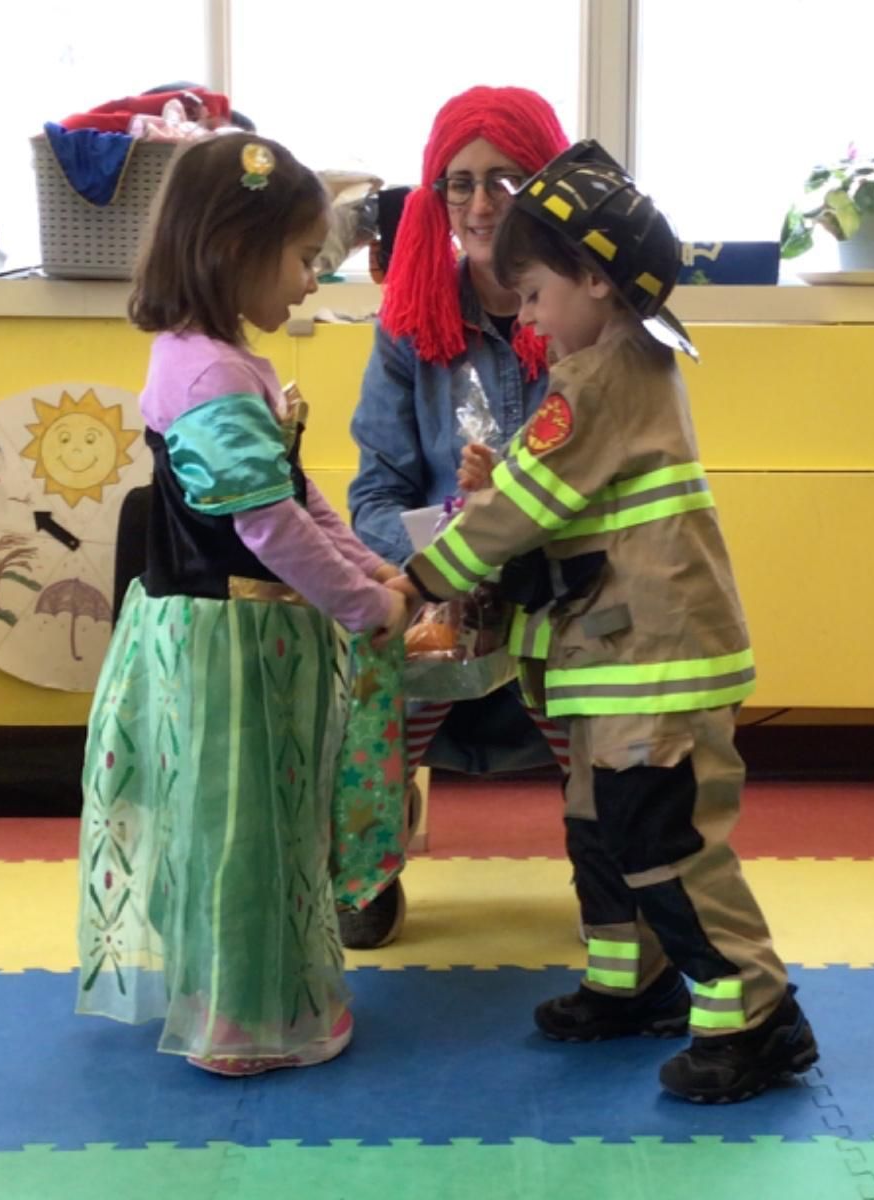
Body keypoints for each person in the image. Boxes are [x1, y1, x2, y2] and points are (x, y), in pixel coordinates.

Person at [391, 141, 820, 1104]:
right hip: (611, 658)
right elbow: (556, 498)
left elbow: (521, 512)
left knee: (663, 834)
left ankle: (756, 1016)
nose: (530, 317)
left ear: (593, 277)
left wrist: (420, 580)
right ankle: (634, 981)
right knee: (599, 823)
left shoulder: (602, 375)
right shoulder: (614, 368)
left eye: (537, 293)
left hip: (651, 661)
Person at [74, 132, 408, 1078]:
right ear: (232, 249)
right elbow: (268, 528)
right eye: (304, 259)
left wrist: (367, 570)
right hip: (232, 642)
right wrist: (362, 605)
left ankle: (222, 991)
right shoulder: (216, 374)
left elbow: (298, 497)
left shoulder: (217, 359)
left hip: (236, 632)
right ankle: (242, 1018)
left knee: (246, 817)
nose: (310, 284)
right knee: (244, 827)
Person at [343, 86, 573, 949]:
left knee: (594, 685)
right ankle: (368, 854)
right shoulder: (410, 322)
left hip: (561, 578)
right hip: (443, 581)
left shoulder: (588, 308)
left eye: (507, 180)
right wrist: (432, 562)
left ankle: (612, 860)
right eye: (460, 183)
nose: (481, 205)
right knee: (382, 663)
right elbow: (375, 490)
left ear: (547, 186)